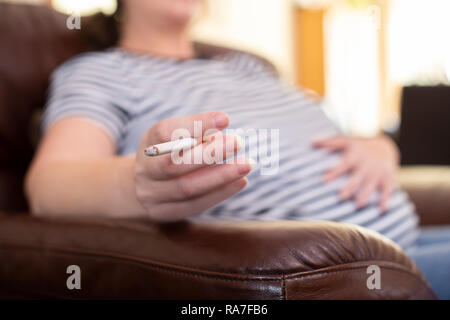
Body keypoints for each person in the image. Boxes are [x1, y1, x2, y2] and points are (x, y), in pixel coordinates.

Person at [25, 0, 450, 299]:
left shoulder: (249, 67)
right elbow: (50, 184)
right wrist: (139, 181)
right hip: (353, 275)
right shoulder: (99, 72)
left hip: (407, 240)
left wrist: (379, 147)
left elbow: (323, 140)